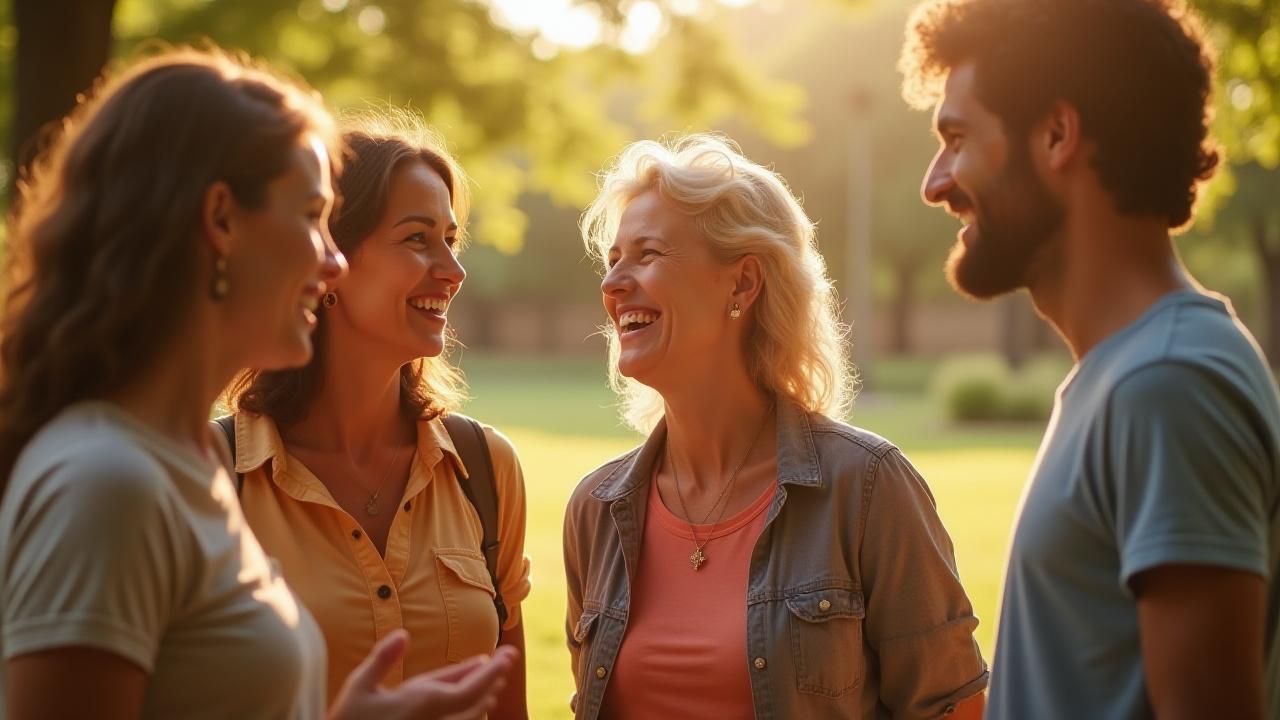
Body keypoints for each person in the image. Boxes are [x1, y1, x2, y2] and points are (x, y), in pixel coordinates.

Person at [0, 49, 514, 719]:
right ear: (221, 221)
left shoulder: (193, 465)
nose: (331, 260)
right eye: (309, 217)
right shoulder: (108, 482)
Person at [900, 0, 1279, 717]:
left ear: (1056, 134)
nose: (935, 183)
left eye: (956, 137)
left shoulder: (1168, 384)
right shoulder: (1127, 375)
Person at [563, 133, 988, 719]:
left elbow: (953, 711)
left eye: (648, 255)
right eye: (613, 260)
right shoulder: (595, 511)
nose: (613, 284)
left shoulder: (866, 489)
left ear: (742, 283)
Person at [222, 111, 531, 718]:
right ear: (329, 258)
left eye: (451, 238)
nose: (453, 270)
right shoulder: (211, 477)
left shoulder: (485, 469)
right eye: (418, 238)